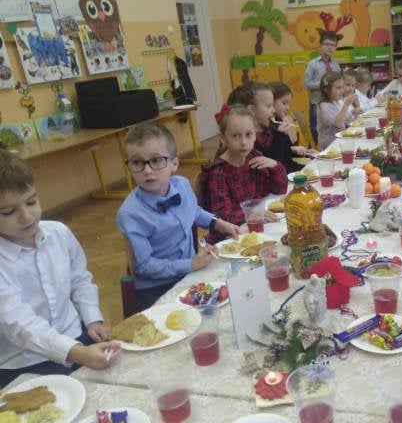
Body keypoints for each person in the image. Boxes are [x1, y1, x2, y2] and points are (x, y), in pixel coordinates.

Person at [0, 150, 121, 388]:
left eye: (31, 202)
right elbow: (20, 325)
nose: (26, 216)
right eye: (8, 212)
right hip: (24, 362)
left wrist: (92, 320)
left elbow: (80, 280)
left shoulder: (58, 233)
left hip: (76, 337)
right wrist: (78, 353)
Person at [117, 123, 238, 311]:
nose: (147, 170)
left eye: (156, 160)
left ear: (174, 164)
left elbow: (193, 211)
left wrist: (218, 223)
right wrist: (190, 264)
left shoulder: (181, 185)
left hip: (189, 274)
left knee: (233, 291)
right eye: (137, 163)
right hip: (157, 287)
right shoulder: (130, 214)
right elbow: (145, 266)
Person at [199, 105, 287, 238]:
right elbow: (222, 215)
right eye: (235, 136)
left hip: (257, 226)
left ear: (255, 135)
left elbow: (279, 190)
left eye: (248, 134)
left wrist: (275, 166)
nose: (244, 142)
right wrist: (253, 213)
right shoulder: (219, 172)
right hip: (230, 235)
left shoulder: (254, 159)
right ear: (223, 138)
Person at [229, 82, 304, 173]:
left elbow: (284, 155)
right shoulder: (247, 142)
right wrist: (280, 135)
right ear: (252, 110)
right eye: (269, 106)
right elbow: (271, 166)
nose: (273, 110)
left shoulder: (268, 130)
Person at [304, 31, 341, 145]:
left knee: (333, 128)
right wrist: (322, 84)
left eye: (333, 45)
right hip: (317, 103)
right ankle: (320, 150)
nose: (330, 47)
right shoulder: (313, 64)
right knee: (317, 130)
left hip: (333, 104)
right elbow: (306, 83)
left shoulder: (336, 66)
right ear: (320, 47)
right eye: (327, 44)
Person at [269, 81, 315, 158]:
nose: (288, 108)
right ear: (271, 102)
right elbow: (277, 155)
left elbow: (295, 148)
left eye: (289, 103)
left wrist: (308, 152)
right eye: (284, 103)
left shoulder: (288, 119)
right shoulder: (269, 128)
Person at [317, 70, 360, 149]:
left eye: (342, 87)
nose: (342, 91)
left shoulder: (336, 102)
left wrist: (356, 109)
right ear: (326, 90)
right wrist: (346, 104)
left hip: (340, 141)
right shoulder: (324, 106)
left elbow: (346, 121)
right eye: (338, 88)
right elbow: (337, 124)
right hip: (330, 146)